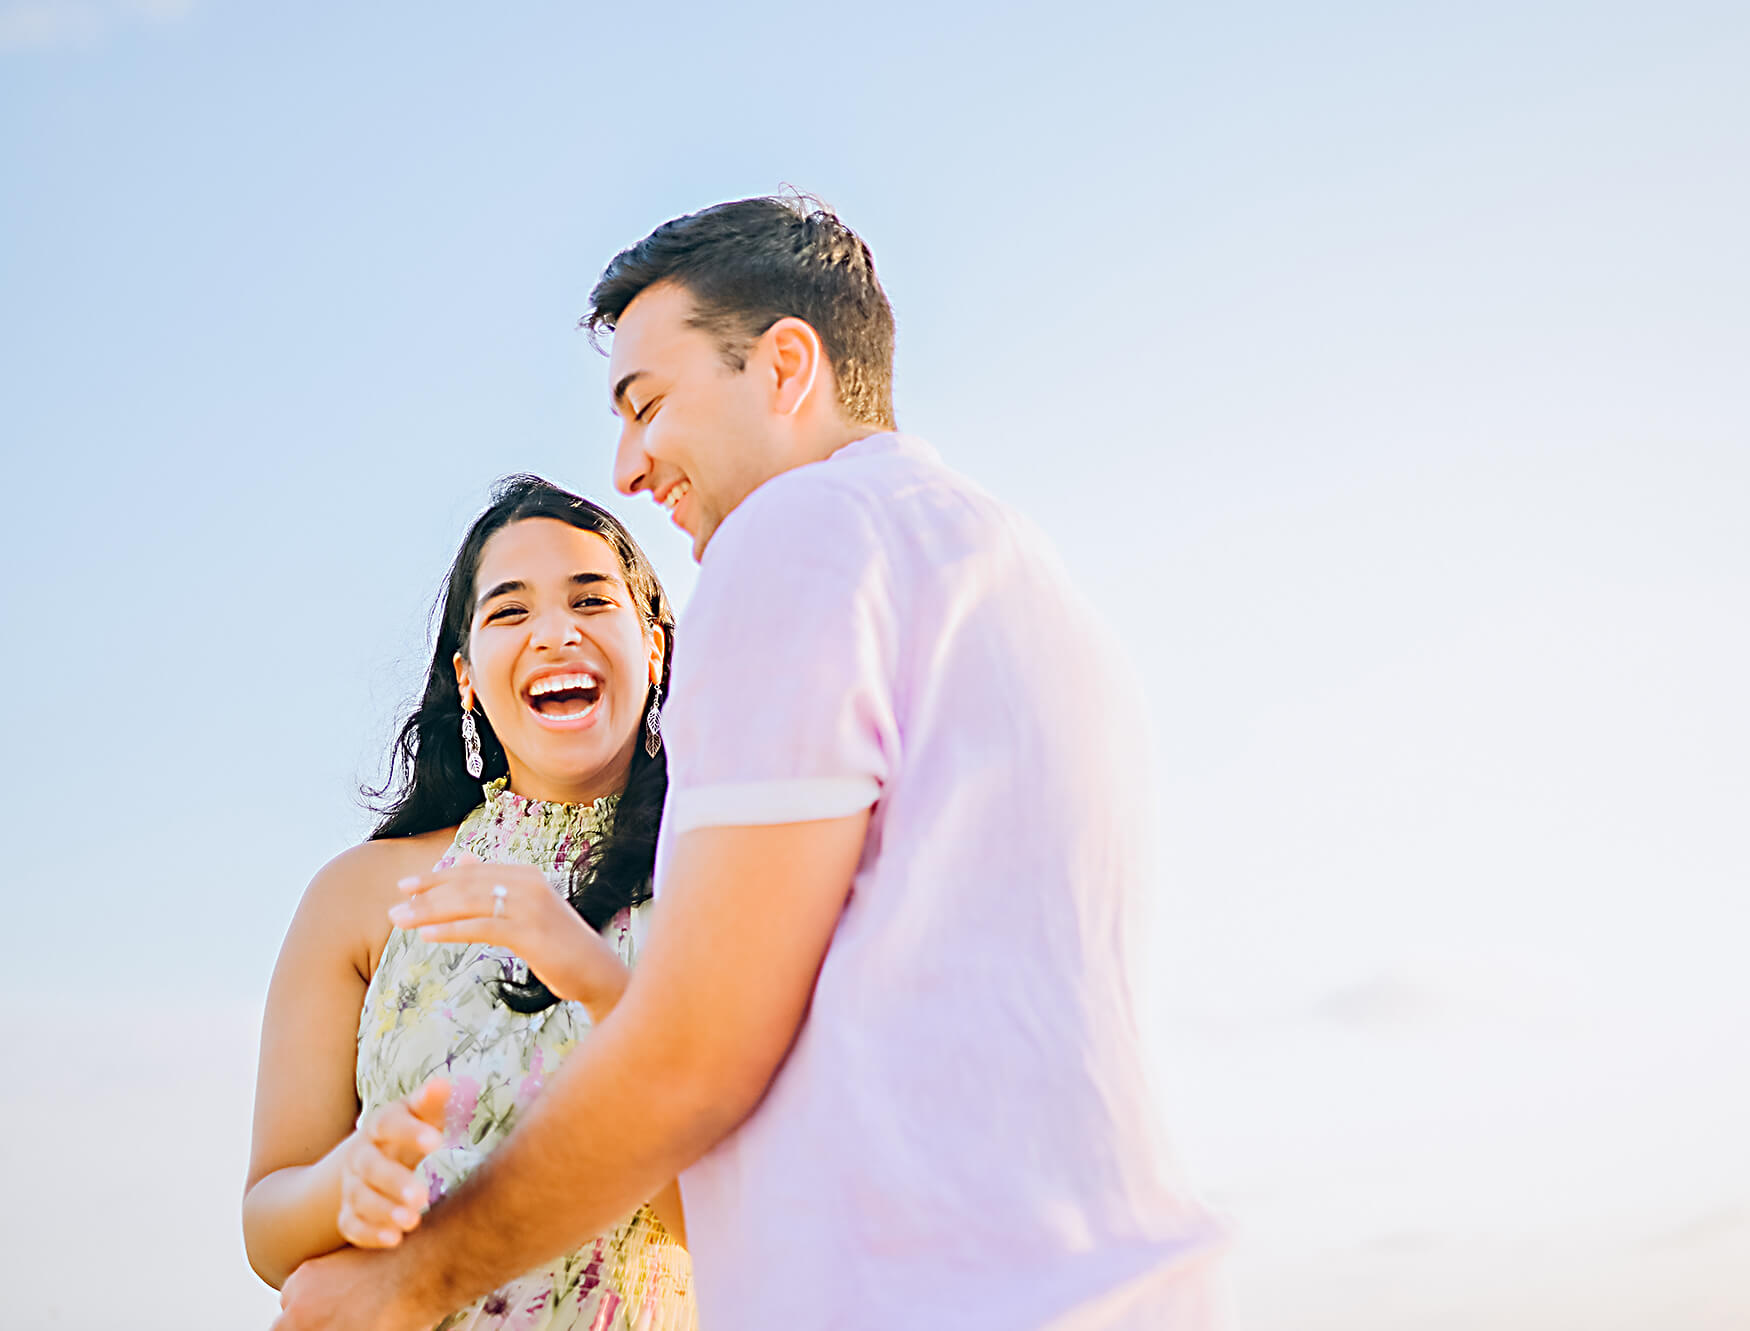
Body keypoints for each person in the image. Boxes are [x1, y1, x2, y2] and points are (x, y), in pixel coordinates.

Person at [273, 195, 1230, 1331]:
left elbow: (698, 1052)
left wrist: (413, 1278)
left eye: (649, 403)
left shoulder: (800, 533)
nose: (628, 464)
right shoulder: (1012, 565)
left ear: (784, 366)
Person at [245, 476, 696, 1330]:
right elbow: (268, 1226)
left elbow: (740, 1222)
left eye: (591, 600)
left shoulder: (718, 878)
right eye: (510, 611)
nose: (555, 632)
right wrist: (345, 1183)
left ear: (655, 648)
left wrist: (597, 981)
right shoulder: (363, 894)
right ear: (468, 678)